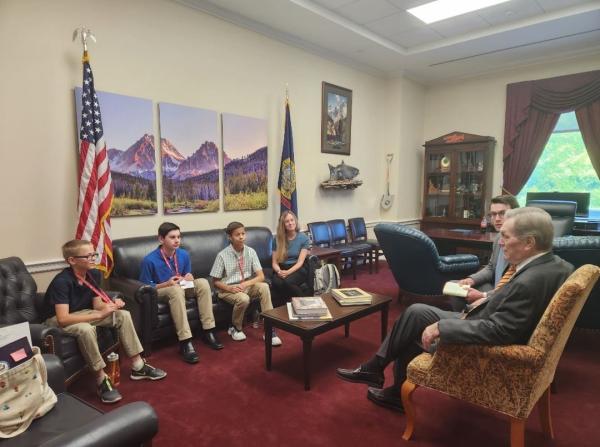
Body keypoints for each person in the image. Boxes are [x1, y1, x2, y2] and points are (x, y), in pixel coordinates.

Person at [336, 207, 572, 413]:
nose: (500, 242)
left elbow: (501, 332)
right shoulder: (556, 265)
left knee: (411, 332)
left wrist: (442, 326)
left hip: (487, 342)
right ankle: (375, 368)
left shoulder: (530, 280)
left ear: (529, 242)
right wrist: (487, 297)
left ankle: (394, 391)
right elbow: (510, 301)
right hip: (484, 315)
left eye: (506, 237)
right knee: (416, 312)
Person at [44, 240, 166, 404]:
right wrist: (99, 315)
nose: (94, 258)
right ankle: (102, 380)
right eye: (89, 256)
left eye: (94, 254)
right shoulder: (62, 281)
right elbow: (63, 318)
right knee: (86, 329)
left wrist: (110, 306)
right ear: (72, 260)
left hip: (85, 313)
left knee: (123, 315)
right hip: (60, 320)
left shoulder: (92, 273)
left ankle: (138, 366)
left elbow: (97, 304)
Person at [139, 222, 223, 365]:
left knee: (202, 282)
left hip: (180, 287)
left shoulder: (183, 254)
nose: (177, 240)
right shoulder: (149, 260)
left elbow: (186, 276)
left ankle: (208, 331)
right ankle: (185, 341)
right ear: (161, 239)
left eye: (178, 236)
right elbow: (145, 287)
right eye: (172, 237)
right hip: (161, 290)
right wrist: (167, 283)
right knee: (175, 289)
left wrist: (189, 277)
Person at [211, 221, 282, 346]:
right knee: (243, 298)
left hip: (246, 285)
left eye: (243, 233)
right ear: (230, 237)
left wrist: (246, 284)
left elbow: (260, 276)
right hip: (228, 289)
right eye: (237, 234)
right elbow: (215, 281)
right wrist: (229, 288)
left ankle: (269, 329)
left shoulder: (251, 252)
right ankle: (235, 327)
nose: (241, 237)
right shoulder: (222, 255)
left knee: (264, 287)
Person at [451, 195, 520, 311]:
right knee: (457, 286)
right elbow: (491, 267)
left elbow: (511, 286)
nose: (497, 218)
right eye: (493, 214)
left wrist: (483, 296)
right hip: (494, 287)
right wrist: (471, 279)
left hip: (505, 295)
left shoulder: (519, 242)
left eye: (502, 213)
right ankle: (464, 318)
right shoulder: (498, 238)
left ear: (516, 214)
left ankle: (470, 320)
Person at [271, 211, 311, 305]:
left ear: (295, 221)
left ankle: (305, 303)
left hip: (298, 268)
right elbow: (274, 262)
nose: (290, 223)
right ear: (283, 225)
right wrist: (279, 271)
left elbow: (300, 262)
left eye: (292, 220)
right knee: (277, 282)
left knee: (287, 282)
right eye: (287, 221)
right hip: (281, 268)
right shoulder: (276, 239)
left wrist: (288, 273)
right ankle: (285, 308)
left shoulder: (303, 238)